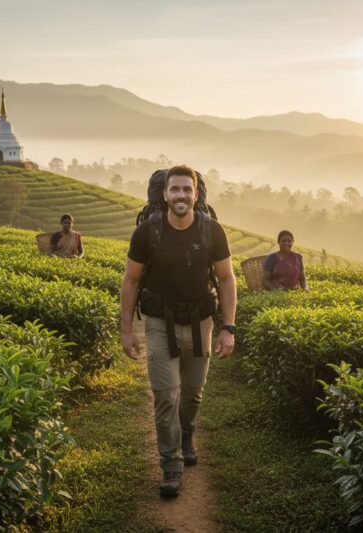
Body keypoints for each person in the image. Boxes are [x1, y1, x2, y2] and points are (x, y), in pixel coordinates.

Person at [120, 165, 237, 498]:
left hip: (201, 322)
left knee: (193, 392)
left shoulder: (212, 231)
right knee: (165, 395)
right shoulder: (147, 233)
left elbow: (227, 279)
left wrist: (228, 327)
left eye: (188, 189)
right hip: (159, 323)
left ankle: (187, 435)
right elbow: (130, 280)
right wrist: (127, 331)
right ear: (165, 194)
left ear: (196, 194)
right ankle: (170, 465)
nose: (181, 195)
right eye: (175, 189)